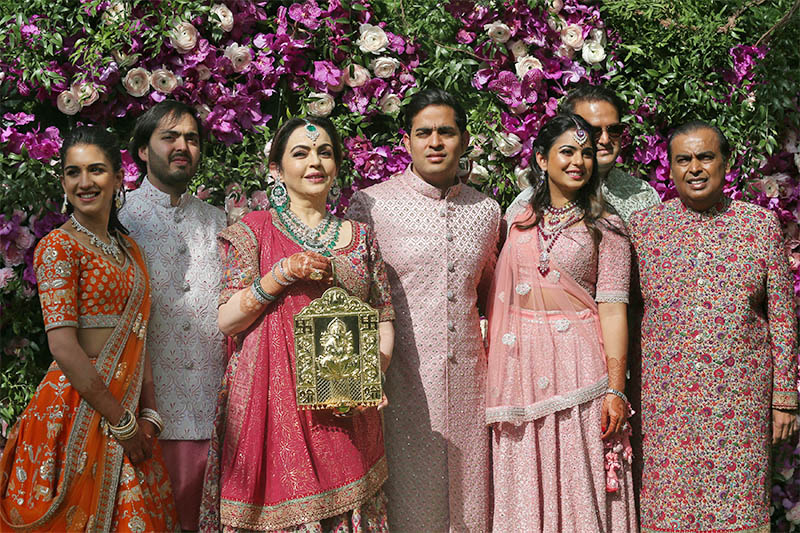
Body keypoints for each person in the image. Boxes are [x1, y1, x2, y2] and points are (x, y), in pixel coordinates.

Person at [199, 117, 395, 531]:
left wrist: (373, 373)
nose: (315, 162)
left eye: (325, 152)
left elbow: (382, 315)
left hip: (344, 403)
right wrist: (281, 273)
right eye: (301, 153)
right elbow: (228, 319)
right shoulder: (251, 232)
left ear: (337, 166)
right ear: (276, 170)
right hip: (271, 409)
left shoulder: (361, 237)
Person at [0, 126, 177, 531]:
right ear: (63, 182)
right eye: (72, 172)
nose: (84, 182)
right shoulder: (57, 248)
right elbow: (63, 347)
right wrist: (121, 420)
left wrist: (148, 411)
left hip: (128, 408)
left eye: (96, 170)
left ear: (118, 178)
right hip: (75, 408)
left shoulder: (130, 250)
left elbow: (139, 333)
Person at [628, 121, 799, 533]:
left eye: (705, 157)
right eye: (683, 159)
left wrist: (786, 399)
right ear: (669, 168)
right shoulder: (645, 229)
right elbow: (626, 315)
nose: (695, 168)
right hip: (666, 406)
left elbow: (782, 317)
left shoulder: (758, 227)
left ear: (726, 163)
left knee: (740, 511)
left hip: (740, 402)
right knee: (668, 510)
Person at [348, 88, 501, 532]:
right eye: (424, 133)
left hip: (472, 387)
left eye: (446, 132)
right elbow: (356, 297)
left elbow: (491, 292)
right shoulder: (371, 205)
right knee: (408, 505)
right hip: (400, 386)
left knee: (472, 505)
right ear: (407, 142)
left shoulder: (486, 211)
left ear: (464, 139)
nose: (435, 142)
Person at [506, 84, 661, 504]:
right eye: (591, 132)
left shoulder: (642, 199)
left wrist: (618, 383)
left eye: (612, 131)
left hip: (612, 358)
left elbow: (633, 297)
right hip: (532, 366)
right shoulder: (522, 213)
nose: (601, 141)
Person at [486, 114, 637, 532]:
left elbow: (612, 308)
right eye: (567, 151)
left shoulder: (607, 228)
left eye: (586, 153)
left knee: (578, 472)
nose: (578, 161)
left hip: (580, 370)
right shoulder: (515, 223)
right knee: (525, 469)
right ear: (541, 158)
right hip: (520, 369)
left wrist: (616, 388)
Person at [119, 100, 226, 531]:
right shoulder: (118, 222)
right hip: (147, 422)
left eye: (192, 139)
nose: (182, 146)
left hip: (216, 416)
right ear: (143, 150)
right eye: (170, 137)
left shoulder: (220, 222)